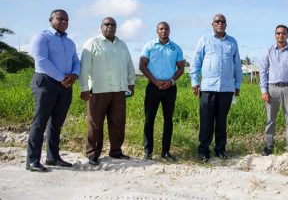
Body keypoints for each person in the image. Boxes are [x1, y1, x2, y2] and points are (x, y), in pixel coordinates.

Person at [26, 9, 80, 172]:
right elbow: (41, 60)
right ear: (51, 20)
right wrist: (61, 77)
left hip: (65, 85)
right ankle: (32, 160)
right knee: (40, 121)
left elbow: (76, 61)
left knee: (57, 123)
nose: (64, 22)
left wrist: (74, 75)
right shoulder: (42, 37)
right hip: (46, 82)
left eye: (66, 20)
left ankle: (53, 157)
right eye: (60, 19)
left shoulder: (70, 42)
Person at [79, 17, 136, 165]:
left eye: (113, 25)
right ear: (101, 27)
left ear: (116, 27)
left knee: (118, 122)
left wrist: (131, 83)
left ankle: (116, 151)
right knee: (95, 123)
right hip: (98, 90)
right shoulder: (92, 43)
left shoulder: (122, 45)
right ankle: (93, 155)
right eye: (107, 24)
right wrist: (84, 88)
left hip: (118, 90)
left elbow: (129, 65)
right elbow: (84, 68)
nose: (110, 26)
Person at [190, 14, 243, 162]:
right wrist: (195, 82)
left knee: (221, 121)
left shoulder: (232, 42)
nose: (220, 23)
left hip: (226, 88)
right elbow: (195, 62)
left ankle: (220, 150)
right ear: (212, 24)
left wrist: (237, 84)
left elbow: (237, 65)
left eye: (222, 21)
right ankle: (203, 151)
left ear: (226, 24)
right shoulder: (205, 40)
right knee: (206, 121)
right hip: (207, 87)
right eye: (217, 21)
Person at [139, 22, 184, 160]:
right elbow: (142, 65)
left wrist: (171, 81)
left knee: (168, 120)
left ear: (169, 31)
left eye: (166, 29)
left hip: (170, 88)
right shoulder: (149, 46)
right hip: (153, 87)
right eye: (161, 29)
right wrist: (155, 81)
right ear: (157, 31)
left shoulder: (175, 48)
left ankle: (165, 152)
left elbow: (181, 68)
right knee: (149, 119)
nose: (164, 31)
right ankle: (148, 151)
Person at [259, 25, 288, 156]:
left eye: (283, 33)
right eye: (278, 33)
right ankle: (268, 146)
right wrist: (264, 91)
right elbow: (263, 71)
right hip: (272, 89)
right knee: (270, 119)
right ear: (275, 35)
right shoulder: (269, 51)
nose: (281, 35)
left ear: (287, 35)